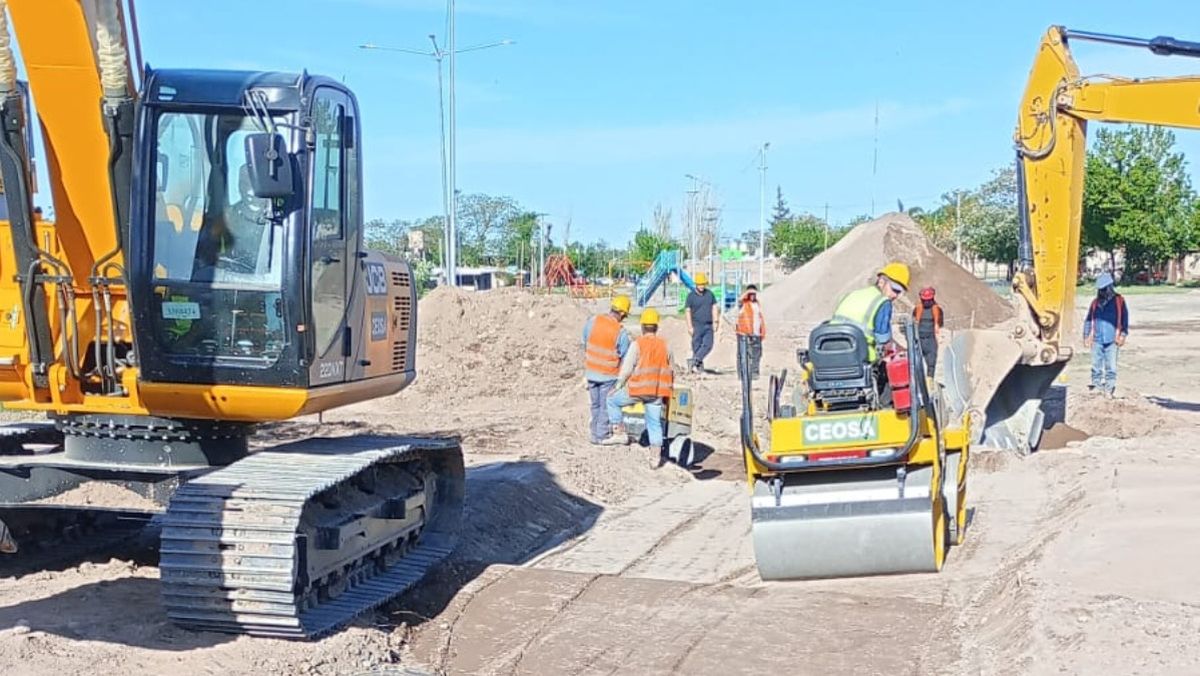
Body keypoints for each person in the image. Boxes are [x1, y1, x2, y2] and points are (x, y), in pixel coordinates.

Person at [601, 308, 675, 458]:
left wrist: (617, 386)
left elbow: (627, 369)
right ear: (656, 326)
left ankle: (619, 432)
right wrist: (668, 390)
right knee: (654, 423)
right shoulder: (665, 345)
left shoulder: (637, 344)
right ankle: (655, 455)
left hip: (637, 390)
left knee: (611, 400)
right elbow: (672, 370)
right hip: (657, 392)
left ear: (642, 327)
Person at [831, 262, 910, 361]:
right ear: (881, 282)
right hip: (859, 356)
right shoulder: (883, 302)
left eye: (899, 292)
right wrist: (902, 350)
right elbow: (884, 341)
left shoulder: (850, 295)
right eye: (894, 290)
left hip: (830, 352)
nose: (895, 296)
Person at [583, 295, 633, 444]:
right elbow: (626, 357)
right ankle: (602, 435)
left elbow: (585, 341)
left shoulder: (593, 321)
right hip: (608, 375)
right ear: (623, 314)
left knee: (595, 404)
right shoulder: (620, 332)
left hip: (591, 371)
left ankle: (594, 433)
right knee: (605, 405)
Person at [1082, 272, 1128, 397]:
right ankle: (1097, 387)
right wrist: (1086, 336)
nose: (1101, 292)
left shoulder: (1119, 301)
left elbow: (1125, 320)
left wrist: (1123, 335)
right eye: (1100, 290)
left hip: (1112, 340)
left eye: (1103, 289)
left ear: (1109, 287)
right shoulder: (1095, 303)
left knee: (1111, 367)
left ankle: (1109, 388)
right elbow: (1088, 320)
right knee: (1096, 367)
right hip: (1097, 339)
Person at [684, 272, 719, 373]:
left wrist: (716, 321)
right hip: (697, 325)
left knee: (708, 344)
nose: (702, 286)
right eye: (700, 284)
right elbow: (687, 311)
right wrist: (690, 327)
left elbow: (714, 307)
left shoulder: (709, 295)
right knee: (696, 345)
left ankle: (695, 360)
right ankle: (698, 365)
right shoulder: (691, 297)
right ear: (696, 284)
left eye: (703, 284)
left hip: (708, 325)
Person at [735, 284, 766, 378]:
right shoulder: (743, 304)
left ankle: (754, 372)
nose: (752, 296)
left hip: (756, 333)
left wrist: (762, 331)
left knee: (757, 354)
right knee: (742, 354)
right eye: (750, 294)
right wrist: (747, 292)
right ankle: (742, 374)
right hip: (744, 333)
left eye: (754, 294)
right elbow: (740, 300)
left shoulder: (757, 304)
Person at [913, 286, 944, 377]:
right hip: (919, 338)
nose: (926, 302)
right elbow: (913, 322)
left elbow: (940, 324)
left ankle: (930, 380)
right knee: (917, 363)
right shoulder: (917, 309)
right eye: (924, 300)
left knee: (931, 362)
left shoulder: (937, 310)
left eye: (929, 300)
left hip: (931, 338)